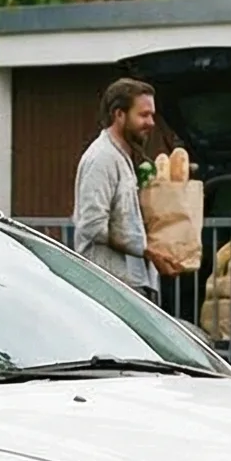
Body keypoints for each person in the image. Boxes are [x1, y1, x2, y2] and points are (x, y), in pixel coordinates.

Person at [72, 78, 171, 299]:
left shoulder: (122, 155)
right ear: (119, 114)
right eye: (143, 115)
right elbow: (92, 225)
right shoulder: (102, 158)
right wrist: (145, 249)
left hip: (130, 284)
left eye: (152, 115)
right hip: (108, 285)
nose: (151, 122)